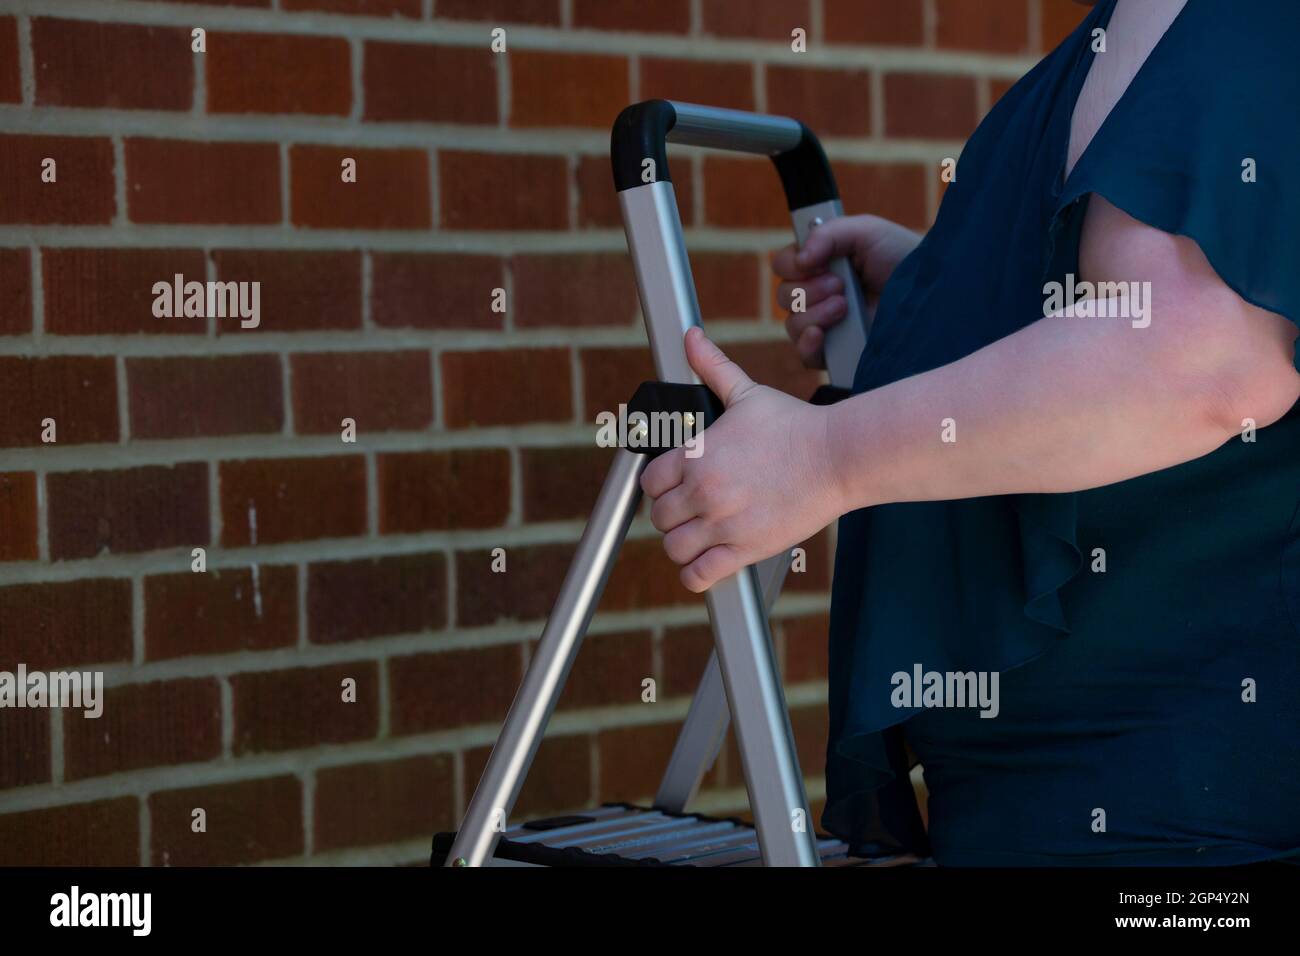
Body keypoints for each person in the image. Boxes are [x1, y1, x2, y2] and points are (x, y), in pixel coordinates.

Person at [640, 0, 1300, 864]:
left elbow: (1190, 360)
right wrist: (934, 295)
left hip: (1160, 824)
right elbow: (1159, 306)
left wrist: (822, 458)